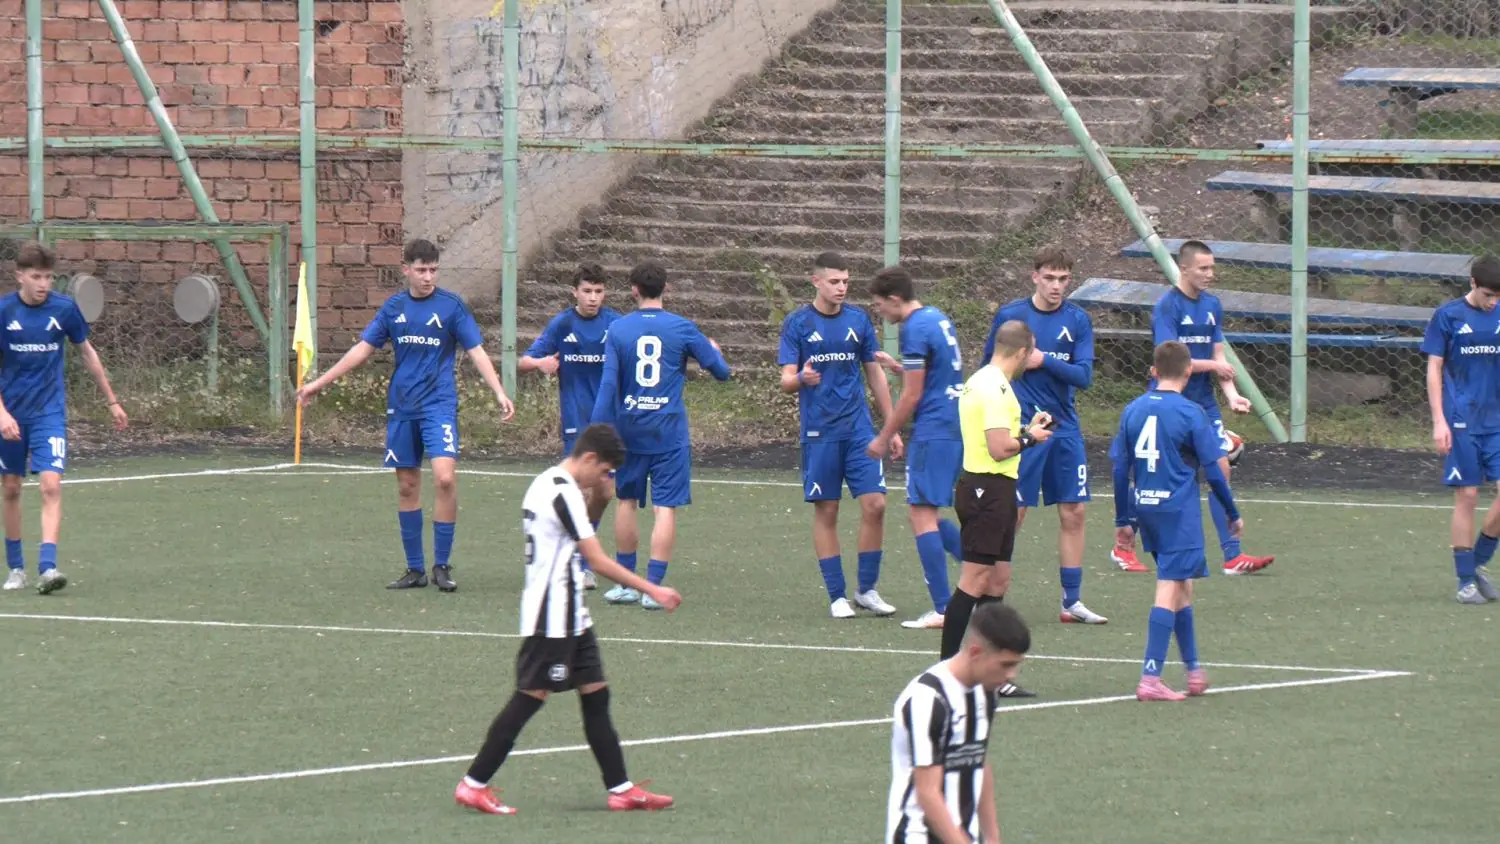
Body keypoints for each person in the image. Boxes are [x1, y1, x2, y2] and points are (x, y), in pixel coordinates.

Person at [453, 424, 679, 815]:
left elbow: (577, 533)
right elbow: (597, 560)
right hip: (552, 615)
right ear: (589, 458)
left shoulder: (550, 483)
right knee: (529, 697)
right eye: (604, 471)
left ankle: (621, 789)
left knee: (596, 693)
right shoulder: (563, 492)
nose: (605, 479)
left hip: (573, 613)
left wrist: (602, 498)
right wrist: (652, 589)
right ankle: (473, 783)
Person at [297, 239, 515, 592]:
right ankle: (415, 570)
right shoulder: (394, 308)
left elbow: (476, 351)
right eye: (421, 270)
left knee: (445, 478)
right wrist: (318, 384)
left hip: (438, 405)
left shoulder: (451, 307)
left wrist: (499, 391)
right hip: (402, 406)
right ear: (407, 270)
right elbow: (362, 349)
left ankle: (441, 565)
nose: (428, 277)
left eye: (433, 270)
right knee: (407, 484)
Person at [1110, 240, 1273, 576]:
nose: (1210, 274)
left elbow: (1218, 356)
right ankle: (1123, 545)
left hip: (1203, 404)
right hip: (1169, 401)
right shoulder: (1167, 307)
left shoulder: (1212, 305)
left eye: (1212, 267)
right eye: (1203, 268)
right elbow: (1170, 360)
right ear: (1184, 269)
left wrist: (1231, 395)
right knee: (1155, 477)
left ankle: (1232, 555)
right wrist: (1214, 368)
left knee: (1221, 469)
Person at [589, 261, 731, 609]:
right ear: (666, 289)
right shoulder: (682, 327)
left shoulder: (618, 329)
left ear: (634, 290)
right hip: (668, 431)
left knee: (626, 501)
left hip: (629, 429)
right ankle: (653, 587)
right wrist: (714, 351)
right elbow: (721, 373)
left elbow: (608, 386)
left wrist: (596, 432)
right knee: (664, 507)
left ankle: (626, 585)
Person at [1111, 341, 1242, 701]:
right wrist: (1231, 513)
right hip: (1177, 511)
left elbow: (1120, 469)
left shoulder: (1132, 409)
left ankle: (1193, 670)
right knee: (1169, 586)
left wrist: (1124, 519)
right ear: (1188, 372)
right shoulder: (1191, 412)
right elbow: (1214, 472)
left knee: (1182, 584)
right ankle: (1150, 676)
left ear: (1153, 372)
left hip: (1146, 507)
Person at [984, 247, 1106, 624]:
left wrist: (1043, 360)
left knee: (1074, 511)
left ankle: (1072, 602)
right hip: (1023, 428)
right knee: (1014, 513)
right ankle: (991, 597)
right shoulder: (1012, 316)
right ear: (1034, 276)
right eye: (1049, 278)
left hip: (1064, 428)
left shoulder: (1077, 320)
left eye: (1063, 279)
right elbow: (990, 369)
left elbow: (1084, 376)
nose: (1056, 286)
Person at [0, 242, 128, 594]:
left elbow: (87, 352)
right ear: (20, 277)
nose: (43, 284)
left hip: (49, 413)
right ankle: (16, 568)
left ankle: (48, 567)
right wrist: (2, 414)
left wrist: (112, 401)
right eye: (37, 277)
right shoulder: (4, 312)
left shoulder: (64, 309)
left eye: (48, 277)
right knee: (11, 487)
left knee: (51, 485)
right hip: (11, 415)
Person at [779, 251, 901, 618]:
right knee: (828, 510)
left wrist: (891, 426)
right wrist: (802, 378)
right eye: (834, 281)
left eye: (846, 281)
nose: (841, 287)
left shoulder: (858, 319)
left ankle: (866, 590)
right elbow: (786, 379)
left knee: (876, 504)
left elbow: (874, 373)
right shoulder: (798, 323)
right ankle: (837, 595)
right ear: (816, 281)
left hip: (859, 431)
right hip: (820, 432)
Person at [946, 319, 1053, 700]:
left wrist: (1026, 430)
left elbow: (1000, 439)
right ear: (1022, 352)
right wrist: (1031, 438)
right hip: (985, 489)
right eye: (1032, 353)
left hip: (999, 488)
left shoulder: (992, 383)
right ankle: (948, 673)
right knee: (974, 580)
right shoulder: (993, 387)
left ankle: (993, 673)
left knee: (997, 580)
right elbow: (997, 449)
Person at [867, 266, 967, 631]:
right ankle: (983, 576)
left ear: (895, 299)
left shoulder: (914, 328)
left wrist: (884, 436)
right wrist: (899, 367)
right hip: (955, 422)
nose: (880, 312)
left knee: (921, 514)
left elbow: (912, 395)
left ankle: (944, 608)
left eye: (880, 305)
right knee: (928, 513)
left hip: (934, 428)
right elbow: (936, 373)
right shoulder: (937, 317)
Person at [887, 601, 1031, 844]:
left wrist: (992, 837)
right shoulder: (928, 699)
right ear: (975, 652)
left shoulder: (985, 690)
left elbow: (978, 761)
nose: (1011, 675)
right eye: (1005, 664)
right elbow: (927, 793)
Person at [520, 263, 622, 590]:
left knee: (604, 492)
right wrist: (541, 363)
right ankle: (579, 564)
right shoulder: (562, 324)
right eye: (587, 291)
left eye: (598, 291)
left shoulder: (615, 324)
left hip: (608, 425)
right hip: (576, 423)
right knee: (580, 491)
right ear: (574, 292)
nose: (593, 298)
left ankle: (577, 554)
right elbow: (523, 361)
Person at [1422, 254, 1500, 604]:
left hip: (1497, 421)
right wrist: (1439, 420)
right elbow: (1434, 369)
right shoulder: (1448, 316)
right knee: (1467, 495)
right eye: (1488, 294)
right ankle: (1465, 582)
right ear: (1472, 284)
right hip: (1461, 421)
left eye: (1498, 296)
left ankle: (1477, 563)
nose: (1493, 301)